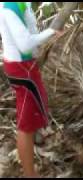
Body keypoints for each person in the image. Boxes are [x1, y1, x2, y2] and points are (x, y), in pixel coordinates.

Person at [0, 2, 61, 177]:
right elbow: (25, 44)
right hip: (21, 67)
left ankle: (30, 170)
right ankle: (29, 174)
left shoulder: (20, 4)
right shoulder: (9, 7)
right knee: (25, 124)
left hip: (26, 65)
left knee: (30, 119)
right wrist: (50, 32)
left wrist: (49, 36)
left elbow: (31, 33)